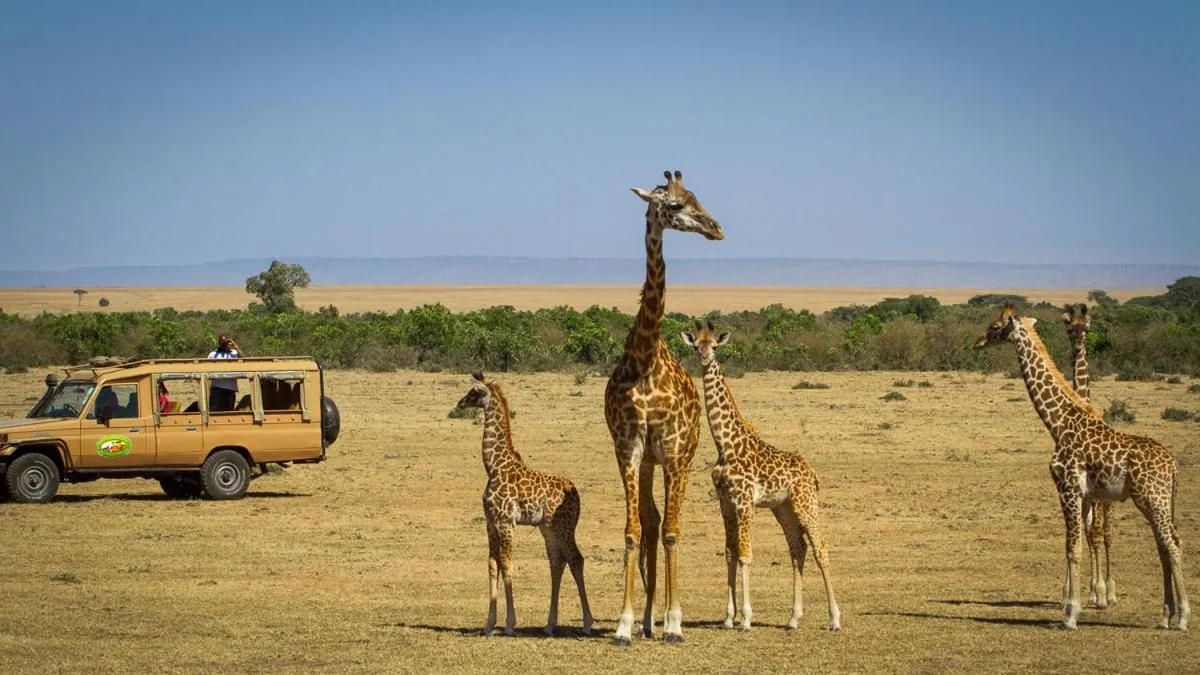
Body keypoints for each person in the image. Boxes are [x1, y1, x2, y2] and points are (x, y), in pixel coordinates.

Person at [207, 334, 243, 412]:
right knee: (214, 411)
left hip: (231, 388)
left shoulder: (234, 353)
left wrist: (235, 346)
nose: (225, 344)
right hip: (217, 388)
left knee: (229, 411)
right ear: (219, 343)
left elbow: (244, 360)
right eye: (223, 342)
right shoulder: (213, 354)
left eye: (226, 342)